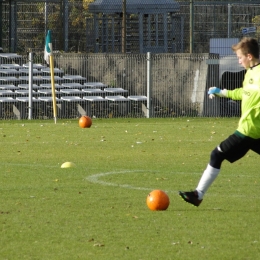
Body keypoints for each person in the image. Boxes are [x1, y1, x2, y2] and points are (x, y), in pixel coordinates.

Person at [179, 37, 260, 207]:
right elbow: (245, 93)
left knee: (216, 154)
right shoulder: (251, 72)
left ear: (250, 56)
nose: (238, 61)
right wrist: (222, 92)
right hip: (254, 132)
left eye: (240, 57)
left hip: (248, 130)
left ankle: (198, 195)